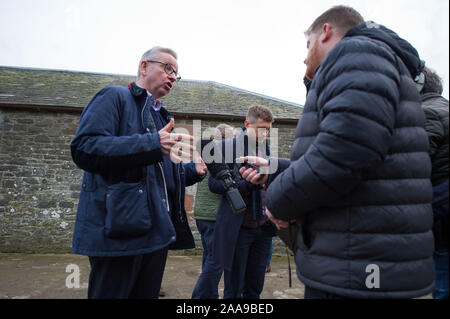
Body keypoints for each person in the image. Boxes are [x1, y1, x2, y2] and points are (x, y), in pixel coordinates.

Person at [240, 6, 435, 299]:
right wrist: (277, 168)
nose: (305, 57)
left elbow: (343, 153)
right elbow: (359, 154)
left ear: (326, 32)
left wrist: (279, 201)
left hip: (360, 264)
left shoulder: (357, 54)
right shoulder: (373, 60)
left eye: (308, 44)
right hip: (362, 256)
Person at [70, 46, 207, 299]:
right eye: (167, 68)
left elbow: (160, 176)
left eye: (176, 74)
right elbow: (84, 148)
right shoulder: (114, 97)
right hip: (119, 233)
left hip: (156, 235)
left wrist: (192, 171)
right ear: (144, 67)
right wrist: (152, 144)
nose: (172, 77)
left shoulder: (161, 117)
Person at [210, 105, 277, 299]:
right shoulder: (224, 147)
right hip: (238, 228)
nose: (265, 133)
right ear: (247, 124)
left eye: (268, 130)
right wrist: (244, 185)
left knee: (255, 288)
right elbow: (213, 185)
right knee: (233, 289)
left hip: (264, 228)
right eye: (261, 128)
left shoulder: (267, 150)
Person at [191, 124, 234, 299]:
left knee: (209, 258)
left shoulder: (206, 151)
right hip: (214, 215)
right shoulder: (224, 155)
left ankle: (210, 296)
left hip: (201, 213)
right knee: (216, 261)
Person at [418, 66, 449, 299]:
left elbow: (417, 162)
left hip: (441, 205)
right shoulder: (444, 108)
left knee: (442, 270)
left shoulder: (426, 113)